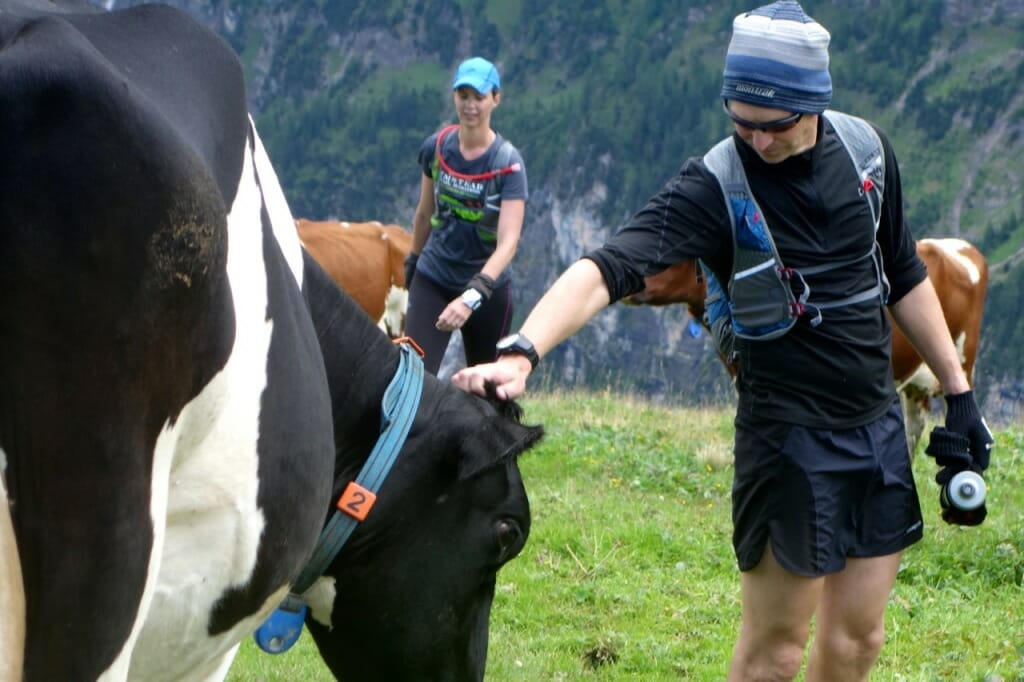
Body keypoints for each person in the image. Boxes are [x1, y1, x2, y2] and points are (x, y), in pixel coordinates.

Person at [451, 2, 994, 680]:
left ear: (814, 103)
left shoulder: (867, 155)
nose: (757, 142)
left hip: (878, 433)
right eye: (741, 122)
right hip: (787, 441)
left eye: (775, 126)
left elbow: (903, 273)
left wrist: (959, 392)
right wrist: (523, 349)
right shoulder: (715, 183)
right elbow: (607, 267)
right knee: (776, 653)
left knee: (860, 641)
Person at [403, 56, 528, 375]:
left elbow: (508, 242)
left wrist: (473, 295)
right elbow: (424, 213)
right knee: (412, 378)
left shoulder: (508, 164)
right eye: (463, 96)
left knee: (487, 388)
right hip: (433, 277)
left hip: (488, 291)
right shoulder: (437, 148)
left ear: (495, 100)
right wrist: (412, 264)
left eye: (479, 97)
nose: (470, 105)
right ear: (454, 96)